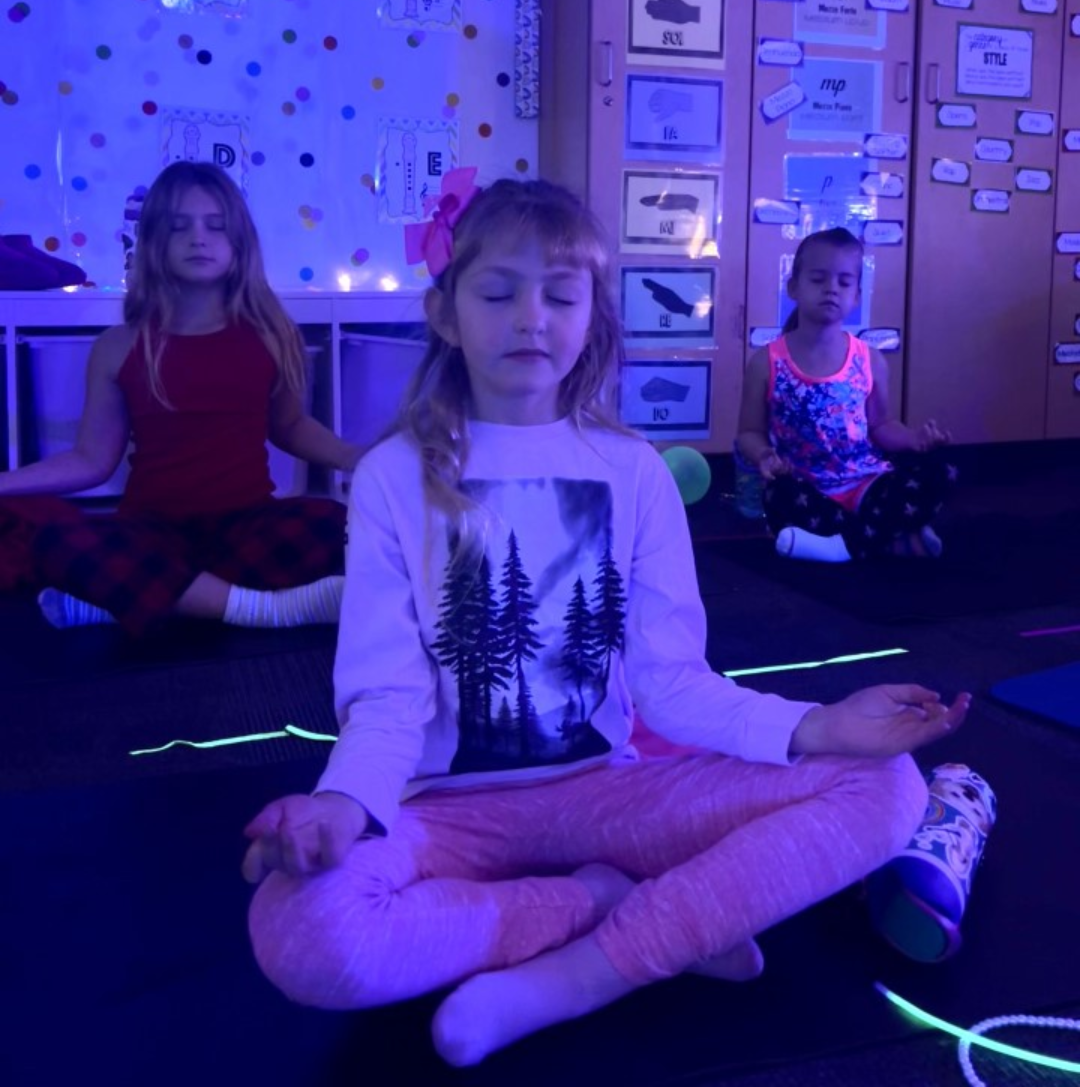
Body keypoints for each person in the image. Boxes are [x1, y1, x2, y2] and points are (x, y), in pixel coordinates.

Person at [241, 179, 970, 1066]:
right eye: (498, 292)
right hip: (443, 819)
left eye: (560, 294)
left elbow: (672, 684)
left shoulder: (632, 472)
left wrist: (818, 724)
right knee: (302, 933)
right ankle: (597, 904)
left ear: (592, 315)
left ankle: (588, 972)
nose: (530, 319)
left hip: (609, 796)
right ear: (445, 313)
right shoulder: (397, 476)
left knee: (885, 783)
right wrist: (340, 805)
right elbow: (386, 699)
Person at [0, 161, 358, 637]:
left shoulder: (274, 336)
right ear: (154, 243)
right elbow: (91, 460)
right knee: (56, 541)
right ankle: (260, 609)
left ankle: (136, 603)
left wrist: (360, 457)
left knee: (337, 524)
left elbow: (289, 426)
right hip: (151, 533)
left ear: (239, 243)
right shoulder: (119, 346)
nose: (198, 238)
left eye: (215, 226)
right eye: (178, 227)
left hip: (246, 527)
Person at [737, 227, 956, 564]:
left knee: (941, 470)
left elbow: (881, 425)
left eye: (843, 282)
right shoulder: (766, 362)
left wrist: (915, 440)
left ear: (856, 295)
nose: (831, 290)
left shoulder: (870, 360)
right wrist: (764, 455)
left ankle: (843, 546)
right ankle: (891, 537)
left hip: (868, 483)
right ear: (793, 287)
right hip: (807, 490)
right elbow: (748, 433)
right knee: (779, 497)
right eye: (818, 279)